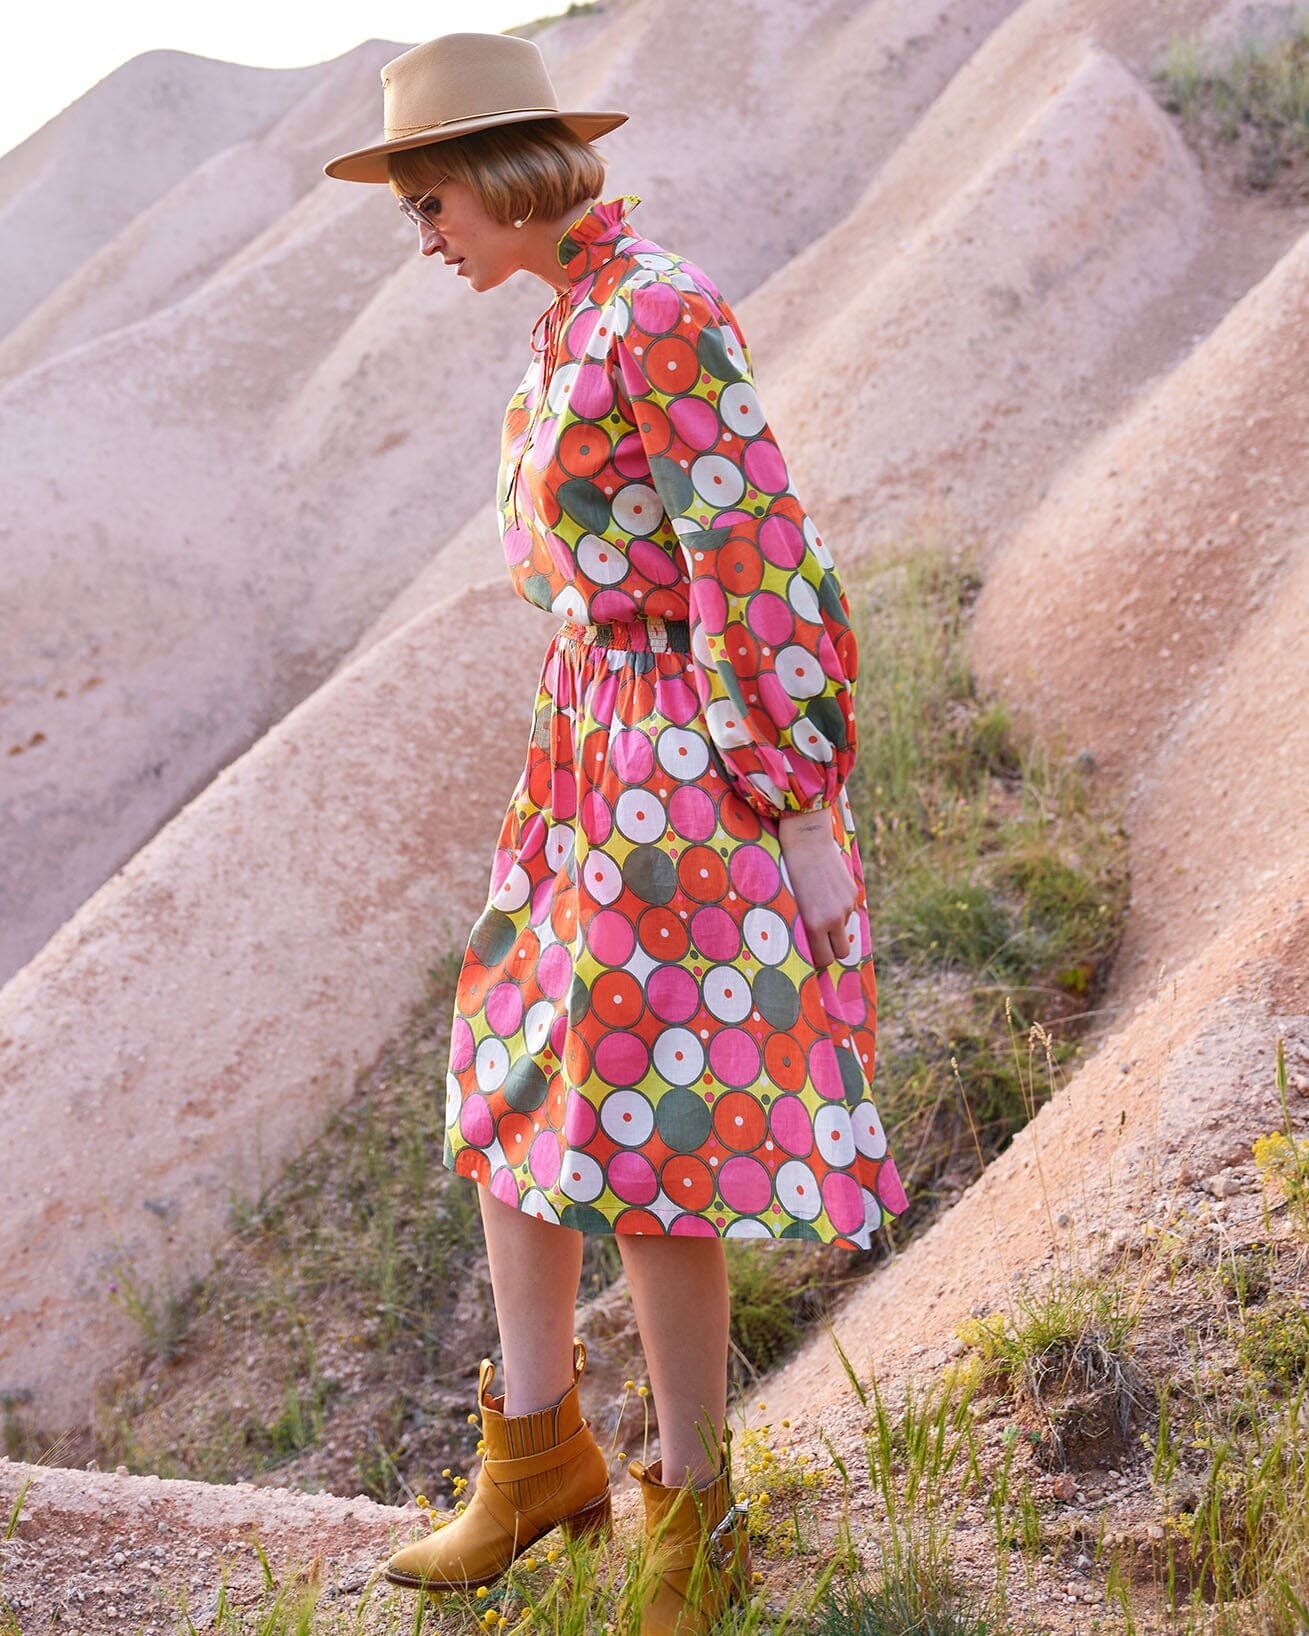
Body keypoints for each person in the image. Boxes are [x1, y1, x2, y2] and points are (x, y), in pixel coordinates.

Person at [323, 31, 908, 1635]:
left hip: (680, 754)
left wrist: (799, 805)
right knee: (512, 1075)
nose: (424, 235)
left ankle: (694, 1517)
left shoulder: (656, 307)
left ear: (499, 175)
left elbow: (753, 551)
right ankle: (536, 1463)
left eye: (429, 201)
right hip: (587, 741)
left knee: (649, 1138)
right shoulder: (567, 314)